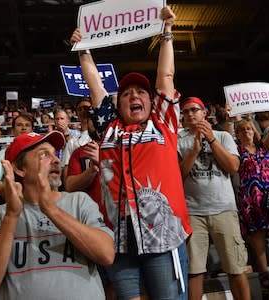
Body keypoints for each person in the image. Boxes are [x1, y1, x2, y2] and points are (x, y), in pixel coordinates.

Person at [70, 6, 191, 299]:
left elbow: (166, 76)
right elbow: (95, 86)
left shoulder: (163, 123)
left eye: (140, 92)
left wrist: (167, 33)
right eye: (126, 93)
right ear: (118, 104)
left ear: (151, 102)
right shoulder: (109, 127)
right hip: (119, 241)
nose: (134, 96)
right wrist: (83, 50)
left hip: (162, 237)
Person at [0, 131, 115, 299]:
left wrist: (51, 210)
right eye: (44, 154)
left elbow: (106, 254)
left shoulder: (79, 201)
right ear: (19, 168)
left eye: (55, 153)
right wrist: (11, 217)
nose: (56, 160)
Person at [177, 96, 250, 300]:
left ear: (204, 113)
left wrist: (210, 139)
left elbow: (233, 167)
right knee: (194, 270)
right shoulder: (177, 140)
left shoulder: (223, 136)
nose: (190, 114)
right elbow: (177, 176)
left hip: (224, 209)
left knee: (235, 268)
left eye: (194, 110)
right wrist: (193, 152)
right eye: (186, 111)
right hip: (193, 212)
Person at [235, 97, 269, 280]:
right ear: (237, 134)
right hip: (250, 199)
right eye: (242, 130)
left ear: (254, 130)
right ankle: (265, 276)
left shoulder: (264, 147)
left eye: (249, 128)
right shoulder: (235, 150)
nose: (246, 132)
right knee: (257, 238)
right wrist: (231, 118)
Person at [0, 113, 34, 194]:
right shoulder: (3, 153)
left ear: (32, 130)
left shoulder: (40, 151)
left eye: (27, 125)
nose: (24, 128)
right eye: (19, 125)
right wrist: (6, 190)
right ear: (13, 130)